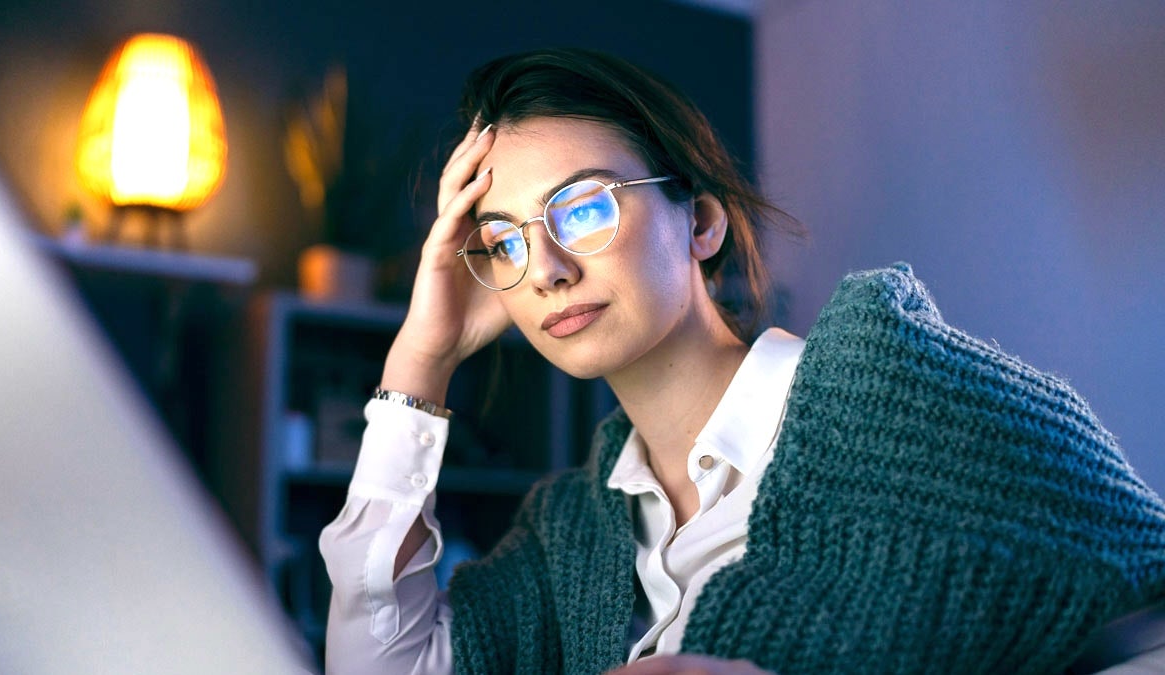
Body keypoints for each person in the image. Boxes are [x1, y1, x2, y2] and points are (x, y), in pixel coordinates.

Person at [319, 48, 1165, 675]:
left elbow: (1142, 589)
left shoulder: (891, 383)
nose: (546, 269)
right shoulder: (570, 531)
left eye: (582, 209)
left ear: (702, 224)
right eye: (503, 240)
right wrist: (420, 357)